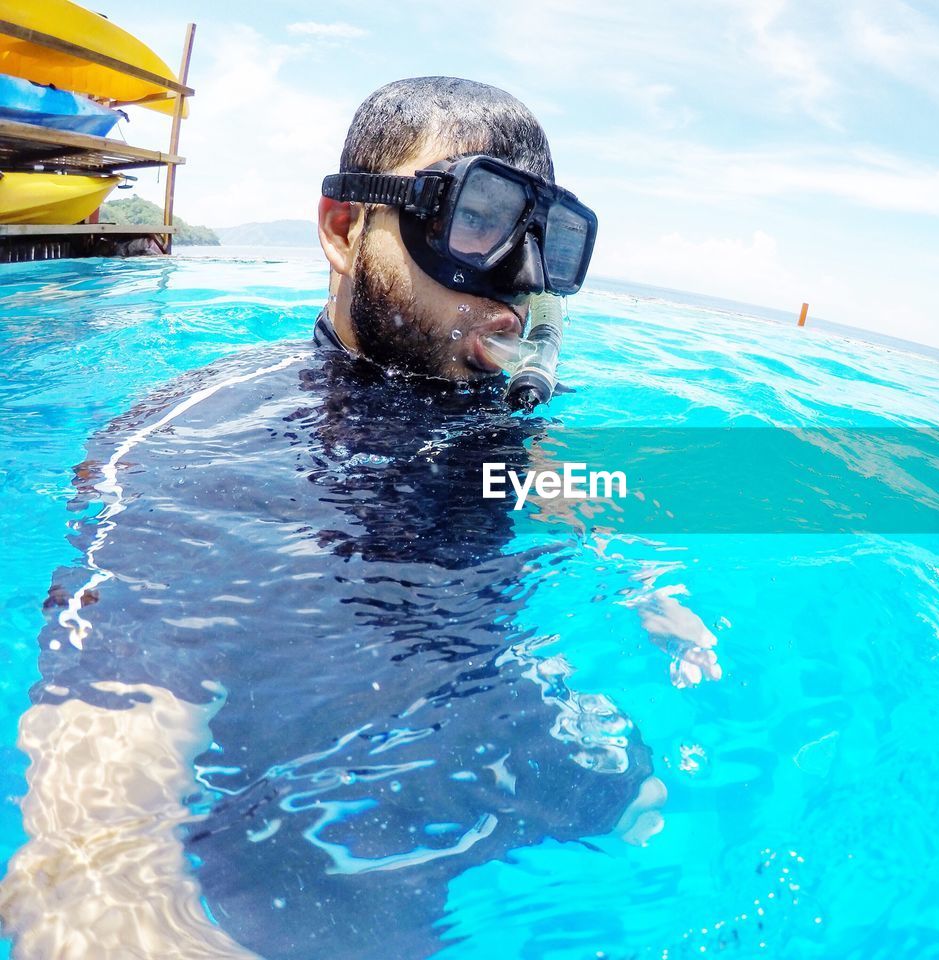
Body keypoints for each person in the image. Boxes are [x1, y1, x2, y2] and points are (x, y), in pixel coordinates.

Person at [0, 77, 717, 959]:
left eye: (547, 239)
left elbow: (552, 482)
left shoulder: (494, 411)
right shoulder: (195, 452)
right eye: (478, 216)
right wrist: (108, 882)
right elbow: (91, 844)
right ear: (346, 229)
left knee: (645, 798)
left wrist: (643, 580)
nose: (517, 281)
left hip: (488, 702)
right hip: (329, 789)